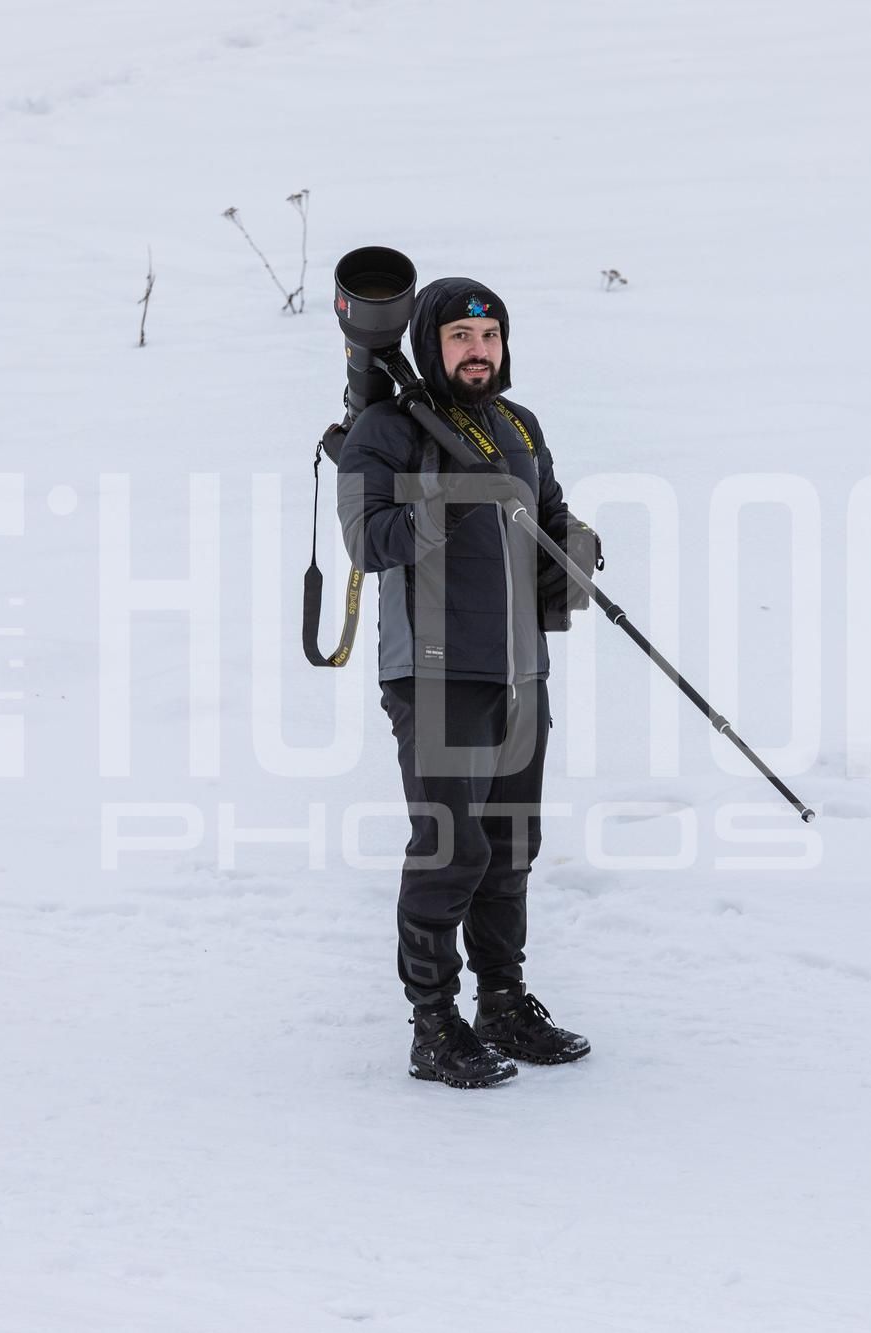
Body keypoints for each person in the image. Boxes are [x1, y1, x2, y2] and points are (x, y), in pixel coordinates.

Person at [336, 277, 592, 1089]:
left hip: (519, 668)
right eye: (459, 338)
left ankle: (503, 1001)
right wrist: (449, 495)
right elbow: (367, 540)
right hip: (435, 668)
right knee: (453, 846)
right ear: (428, 346)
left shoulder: (519, 425)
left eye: (489, 337)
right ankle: (434, 1022)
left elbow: (550, 515)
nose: (478, 352)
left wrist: (577, 553)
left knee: (511, 844)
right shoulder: (382, 428)